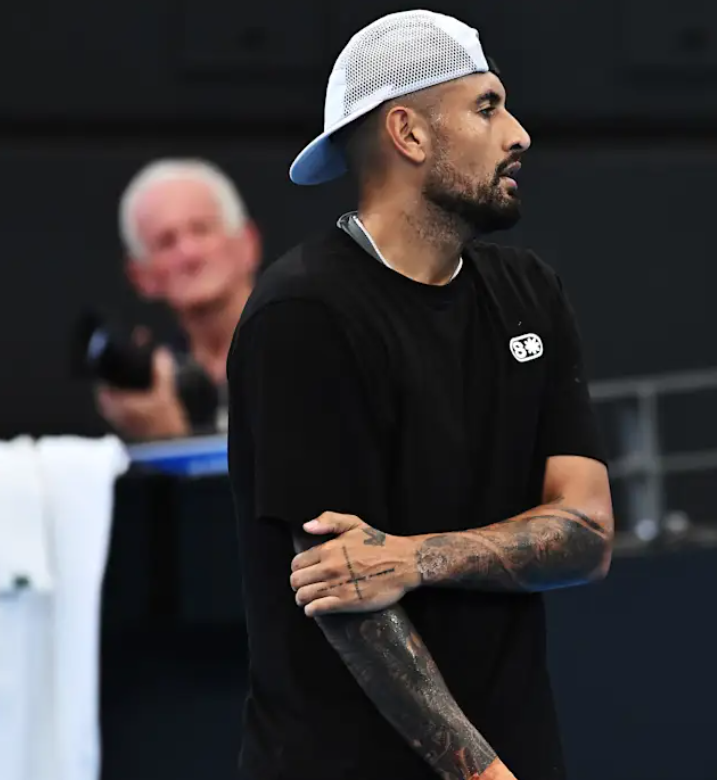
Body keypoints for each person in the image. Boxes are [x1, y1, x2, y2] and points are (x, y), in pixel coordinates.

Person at [225, 10, 613, 780]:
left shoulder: (531, 294)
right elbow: (345, 596)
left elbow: (587, 534)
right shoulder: (303, 315)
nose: (519, 134)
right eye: (487, 107)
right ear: (408, 133)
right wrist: (485, 776)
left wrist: (417, 559)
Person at [96, 158, 260, 440]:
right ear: (140, 275)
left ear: (248, 243)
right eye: (166, 242)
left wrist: (169, 438)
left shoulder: (311, 346)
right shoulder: (152, 388)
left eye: (201, 229)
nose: (189, 254)